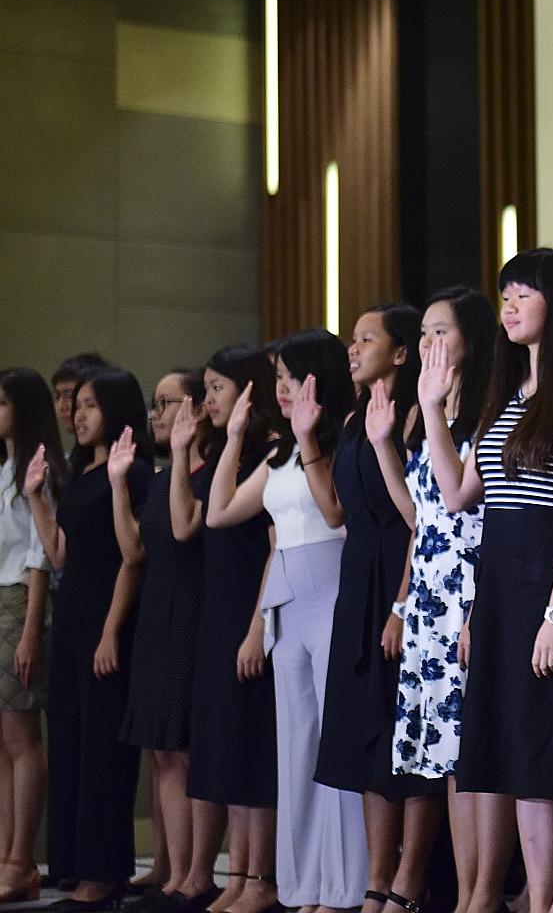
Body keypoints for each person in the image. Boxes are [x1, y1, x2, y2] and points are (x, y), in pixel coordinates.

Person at [439, 249, 553, 913]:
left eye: (522, 294)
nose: (508, 307)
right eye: (504, 295)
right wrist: (432, 407)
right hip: (503, 593)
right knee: (523, 759)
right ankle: (537, 900)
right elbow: (460, 495)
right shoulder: (505, 396)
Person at [207, 328, 368, 913]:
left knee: (335, 744)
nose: (281, 390)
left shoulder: (346, 436)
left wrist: (308, 440)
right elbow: (220, 511)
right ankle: (302, 886)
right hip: (288, 603)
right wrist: (232, 438)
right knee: (296, 745)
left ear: (318, 381)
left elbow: (336, 511)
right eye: (276, 380)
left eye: (290, 378)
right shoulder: (277, 455)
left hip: (333, 591)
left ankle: (346, 886)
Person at [313, 303, 442, 913]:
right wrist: (307, 441)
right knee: (364, 741)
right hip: (357, 582)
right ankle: (376, 878)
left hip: (403, 579)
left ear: (399, 352)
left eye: (368, 339)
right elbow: (335, 512)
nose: (353, 348)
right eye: (353, 339)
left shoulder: (419, 414)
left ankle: (409, 881)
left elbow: (424, 519)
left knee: (406, 738)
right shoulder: (352, 417)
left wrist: (400, 605)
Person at [27, 366, 154, 911]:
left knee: (104, 750)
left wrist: (109, 633)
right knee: (72, 742)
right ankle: (75, 866)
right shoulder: (81, 476)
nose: (77, 415)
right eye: (75, 405)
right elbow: (59, 555)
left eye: (90, 405)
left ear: (118, 410)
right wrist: (36, 497)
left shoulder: (134, 472)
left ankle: (105, 874)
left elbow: (133, 557)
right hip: (75, 617)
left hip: (112, 620)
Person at [390, 286, 496, 913]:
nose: (428, 344)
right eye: (424, 333)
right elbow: (420, 516)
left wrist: (429, 410)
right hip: (430, 593)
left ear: (470, 342)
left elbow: (462, 503)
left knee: (471, 751)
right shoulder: (435, 413)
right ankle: (463, 893)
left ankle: (480, 894)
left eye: (440, 332)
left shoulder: (485, 413)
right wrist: (403, 605)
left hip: (469, 592)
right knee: (443, 756)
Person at [115, 369, 220, 912]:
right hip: (157, 612)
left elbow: (186, 530)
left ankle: (193, 874)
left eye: (166, 403)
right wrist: (115, 483)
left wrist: (179, 456)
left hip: (192, 615)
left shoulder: (207, 473)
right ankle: (170, 869)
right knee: (159, 750)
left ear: (197, 410)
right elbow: (135, 550)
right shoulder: (159, 478)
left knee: (180, 750)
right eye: (154, 405)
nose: (155, 415)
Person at [182, 345, 282, 913]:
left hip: (254, 610)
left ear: (248, 390)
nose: (208, 399)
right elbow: (204, 517)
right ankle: (239, 875)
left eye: (217, 388)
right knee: (224, 749)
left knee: (251, 750)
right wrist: (229, 438)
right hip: (218, 613)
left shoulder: (273, 453)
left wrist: (256, 628)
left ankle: (261, 878)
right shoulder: (232, 451)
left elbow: (274, 550)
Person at [0, 368, 62, 904]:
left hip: (20, 602)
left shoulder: (38, 469)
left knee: (21, 738)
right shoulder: (1, 467)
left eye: (2, 403)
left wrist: (29, 634)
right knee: (2, 743)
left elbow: (40, 557)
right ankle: (5, 856)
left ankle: (22, 859)